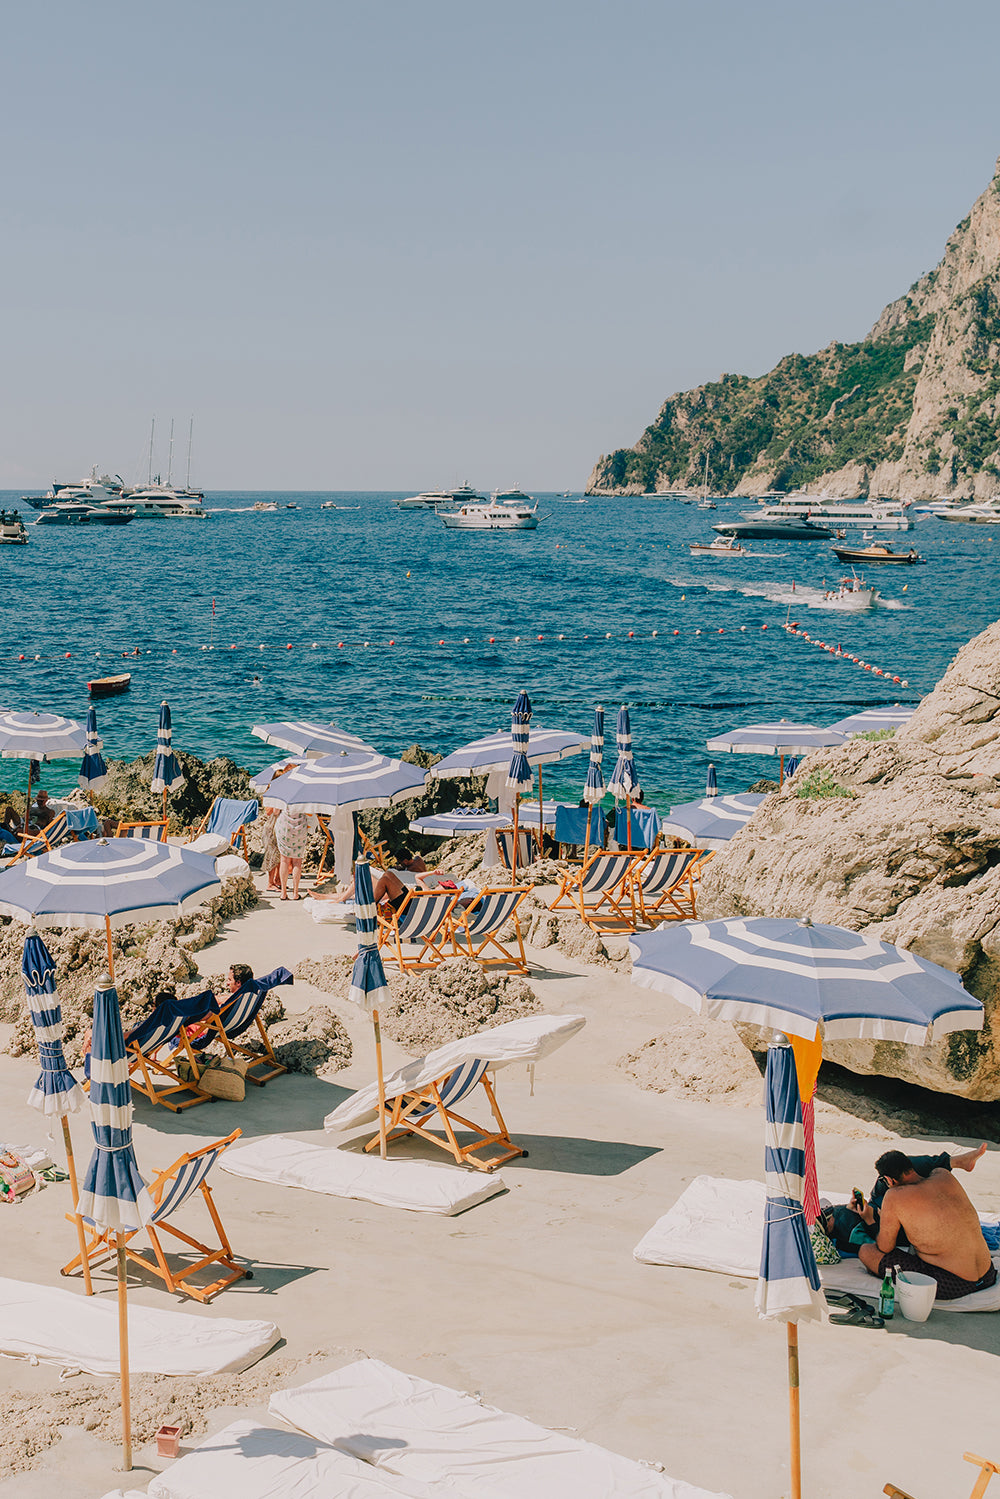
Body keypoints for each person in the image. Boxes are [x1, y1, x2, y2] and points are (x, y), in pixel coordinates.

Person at [855, 1145, 995, 1301]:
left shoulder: (894, 1196)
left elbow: (885, 1247)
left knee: (867, 1252)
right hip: (988, 1274)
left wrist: (870, 1221)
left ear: (888, 1179)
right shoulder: (943, 1174)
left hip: (954, 1284)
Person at [275, 806, 312, 899]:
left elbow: (275, 812)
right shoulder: (302, 797)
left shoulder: (284, 796)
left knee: (284, 860)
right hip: (300, 829)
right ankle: (295, 893)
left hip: (284, 828)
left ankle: (283, 893)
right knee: (297, 862)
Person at [259, 805, 281, 891]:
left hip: (279, 829)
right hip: (271, 829)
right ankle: (270, 883)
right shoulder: (271, 801)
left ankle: (277, 880)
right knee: (272, 856)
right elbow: (270, 812)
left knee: (280, 856)